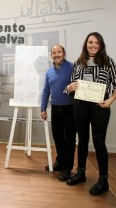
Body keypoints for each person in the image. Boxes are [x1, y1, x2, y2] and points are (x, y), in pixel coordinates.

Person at [65, 32, 116, 195]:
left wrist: (110, 100)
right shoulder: (79, 62)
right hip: (80, 106)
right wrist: (70, 87)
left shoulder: (108, 62)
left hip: (100, 107)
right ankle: (81, 172)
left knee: (99, 142)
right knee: (82, 140)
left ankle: (103, 180)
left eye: (96, 43)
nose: (93, 45)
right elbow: (71, 86)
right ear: (86, 44)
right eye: (90, 42)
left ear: (101, 45)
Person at [40, 44, 76, 181]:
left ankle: (68, 168)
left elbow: (77, 85)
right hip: (55, 108)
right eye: (54, 53)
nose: (56, 55)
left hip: (70, 108)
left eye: (59, 52)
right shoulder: (49, 72)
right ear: (51, 55)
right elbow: (46, 91)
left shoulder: (72, 68)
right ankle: (60, 162)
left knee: (69, 139)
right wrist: (43, 108)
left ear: (64, 53)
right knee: (58, 137)